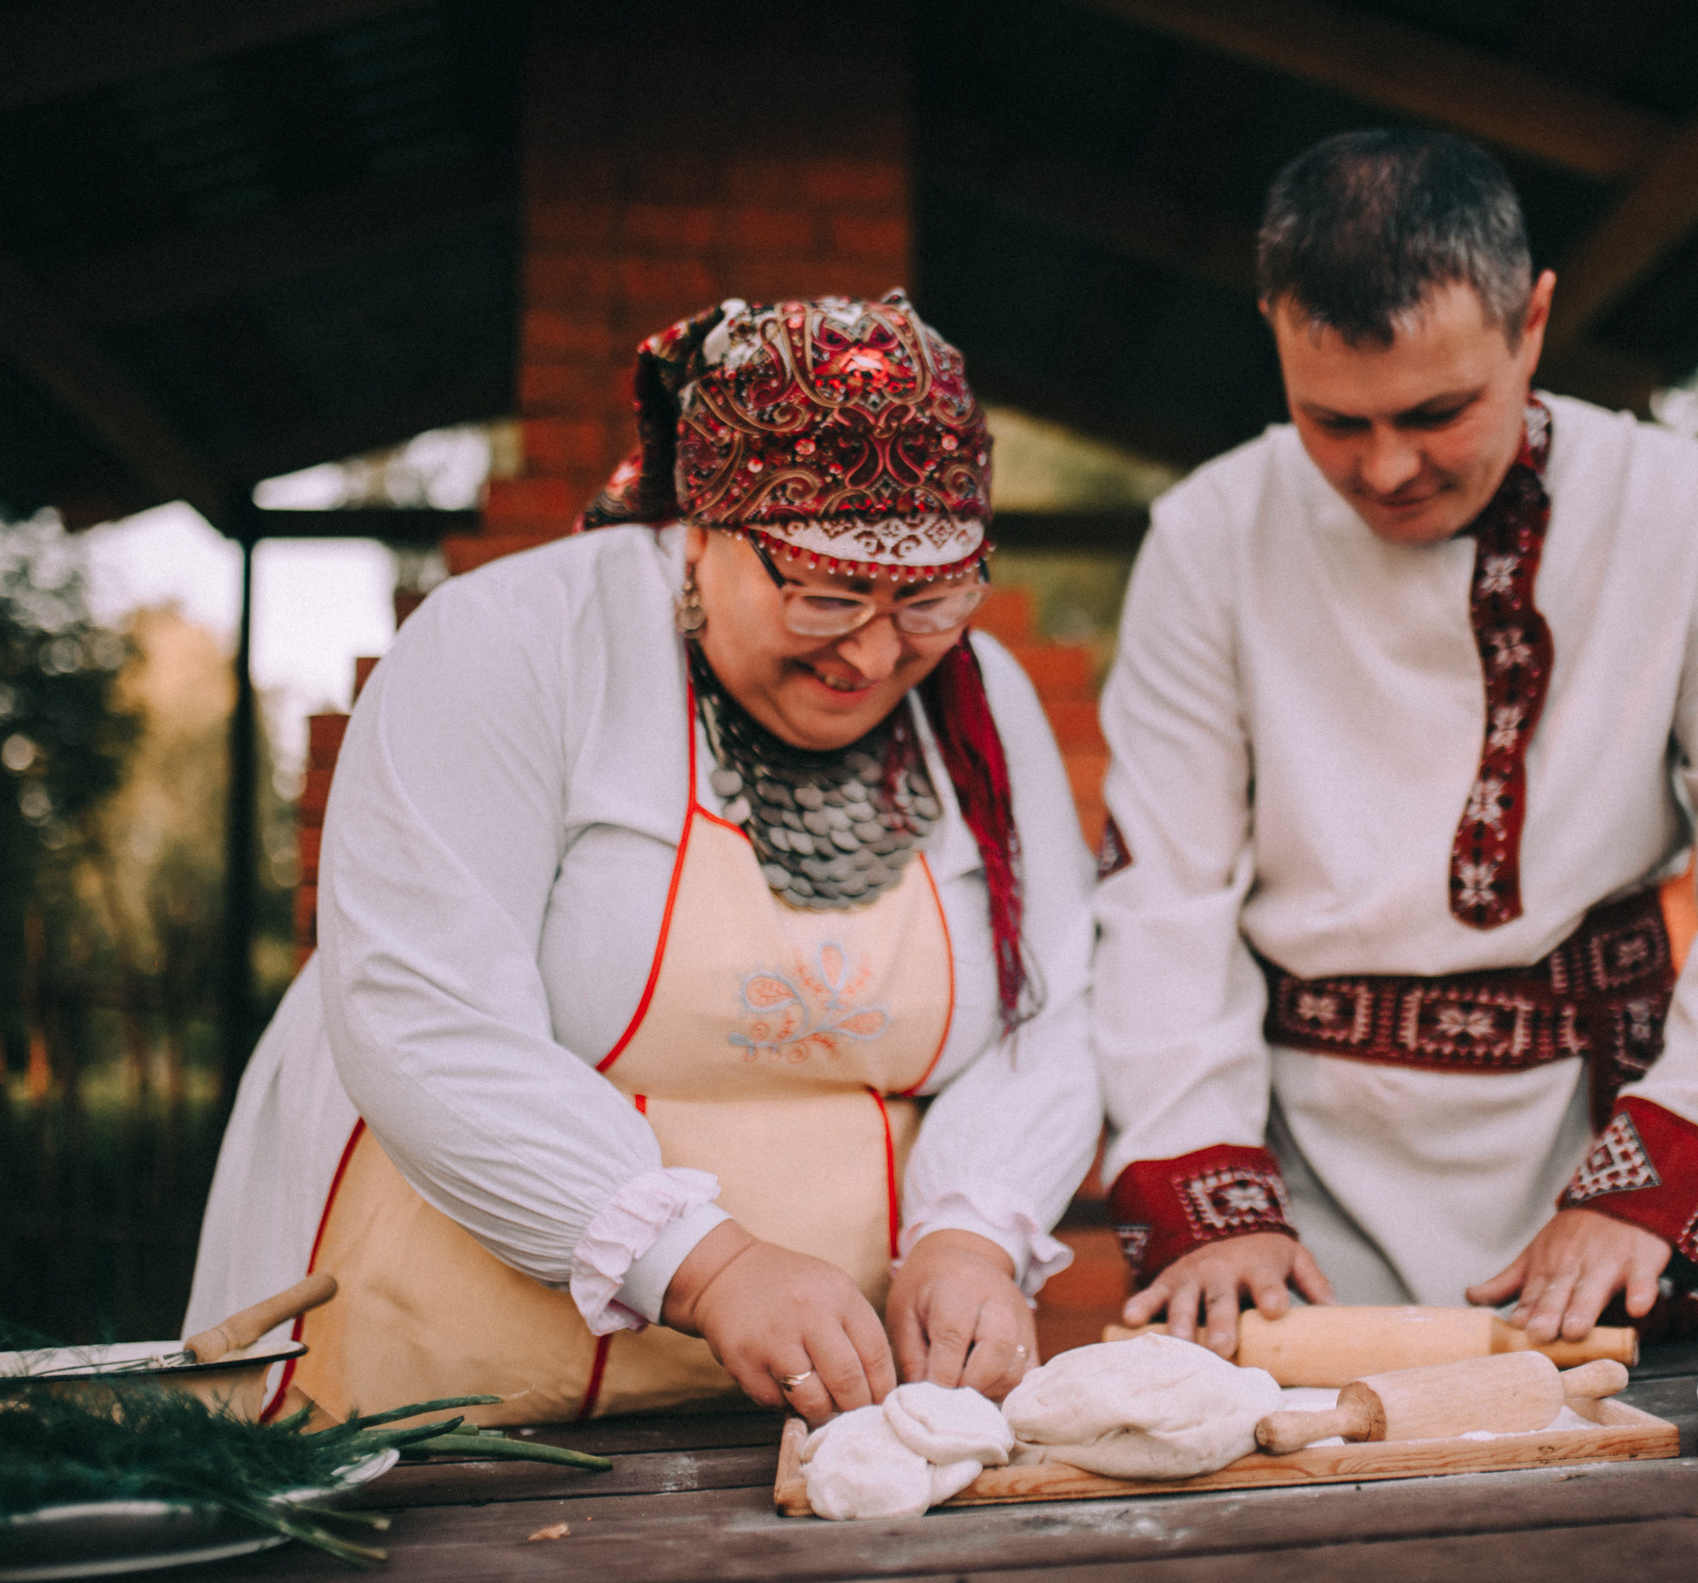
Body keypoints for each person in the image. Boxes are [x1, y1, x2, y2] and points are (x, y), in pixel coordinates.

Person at [187, 291, 1100, 1429]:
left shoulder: (985, 703)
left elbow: (1047, 1016)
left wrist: (973, 1230)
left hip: (789, 1408)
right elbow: (427, 1016)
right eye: (826, 595)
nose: (874, 652)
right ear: (701, 530)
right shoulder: (509, 648)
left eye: (926, 598)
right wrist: (706, 1265)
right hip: (434, 1394)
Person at [1093, 131, 1698, 1354]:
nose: (1387, 467)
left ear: (1531, 325)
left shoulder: (1680, 516)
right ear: (1273, 333)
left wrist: (1650, 1185)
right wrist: (1212, 1201)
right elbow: (1162, 894)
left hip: (1603, 1133)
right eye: (1333, 422)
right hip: (1301, 1176)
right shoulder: (1209, 538)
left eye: (1437, 411)